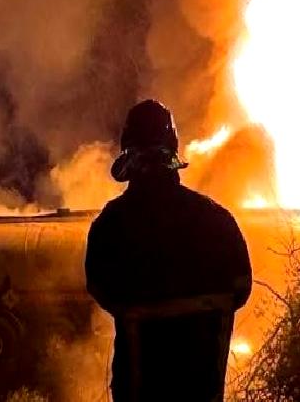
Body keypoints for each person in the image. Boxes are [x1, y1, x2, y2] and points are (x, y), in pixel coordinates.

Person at [85, 99, 252, 402]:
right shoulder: (219, 222)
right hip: (202, 391)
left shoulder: (111, 226)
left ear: (127, 151)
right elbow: (240, 289)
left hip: (139, 391)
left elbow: (101, 289)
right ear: (173, 149)